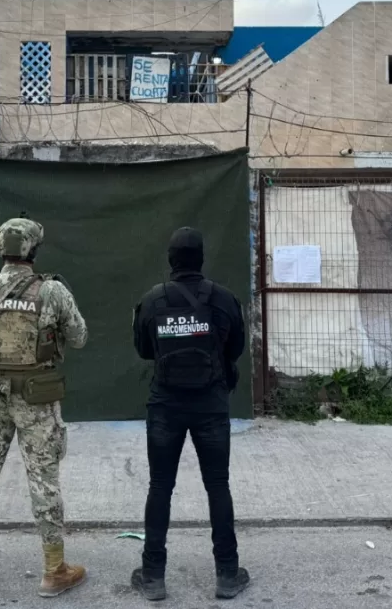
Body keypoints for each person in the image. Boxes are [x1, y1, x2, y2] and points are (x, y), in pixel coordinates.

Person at [0, 217, 88, 599]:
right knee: (44, 480)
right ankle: (54, 570)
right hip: (37, 399)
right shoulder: (52, 292)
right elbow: (79, 337)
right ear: (34, 250)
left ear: (1, 249)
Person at [130, 227, 248, 602]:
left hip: (165, 406)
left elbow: (143, 350)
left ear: (171, 260)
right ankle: (227, 574)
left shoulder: (152, 301)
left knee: (160, 487)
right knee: (218, 486)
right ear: (201, 258)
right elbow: (237, 348)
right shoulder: (224, 299)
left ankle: (153, 576)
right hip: (211, 405)